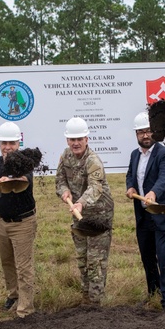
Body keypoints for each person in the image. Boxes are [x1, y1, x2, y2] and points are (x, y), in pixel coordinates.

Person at [125, 111, 165, 311]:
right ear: (136, 134)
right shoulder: (134, 155)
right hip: (143, 215)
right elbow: (131, 175)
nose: (145, 135)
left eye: (148, 131)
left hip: (163, 213)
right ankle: (153, 293)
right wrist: (131, 187)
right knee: (147, 256)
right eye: (141, 132)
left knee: (163, 256)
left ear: (155, 132)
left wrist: (153, 193)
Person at [0, 122, 37, 318]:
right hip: (2, 222)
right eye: (4, 143)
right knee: (7, 262)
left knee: (24, 266)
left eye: (11, 143)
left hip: (23, 223)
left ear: (18, 143)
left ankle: (25, 309)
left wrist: (8, 180)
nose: (7, 147)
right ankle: (13, 295)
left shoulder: (24, 162)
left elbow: (25, 180)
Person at [56, 116, 114, 304]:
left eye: (79, 139)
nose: (76, 143)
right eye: (72, 139)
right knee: (82, 258)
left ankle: (96, 304)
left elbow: (95, 188)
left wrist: (80, 202)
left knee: (95, 261)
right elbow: (60, 180)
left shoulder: (93, 160)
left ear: (86, 139)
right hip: (78, 216)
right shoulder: (65, 156)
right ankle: (86, 299)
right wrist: (64, 192)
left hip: (99, 216)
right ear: (67, 140)